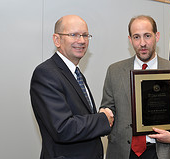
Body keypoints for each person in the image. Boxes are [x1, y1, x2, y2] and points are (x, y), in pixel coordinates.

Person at [100, 15, 170, 159]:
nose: (142, 43)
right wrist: (104, 114)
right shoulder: (114, 71)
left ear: (157, 36)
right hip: (123, 151)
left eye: (147, 36)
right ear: (130, 40)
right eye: (136, 37)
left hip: (161, 151)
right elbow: (107, 107)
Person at [30, 15, 114, 159]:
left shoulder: (76, 73)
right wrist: (103, 119)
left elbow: (81, 117)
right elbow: (62, 128)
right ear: (57, 40)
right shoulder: (46, 73)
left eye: (85, 35)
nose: (81, 41)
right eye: (73, 35)